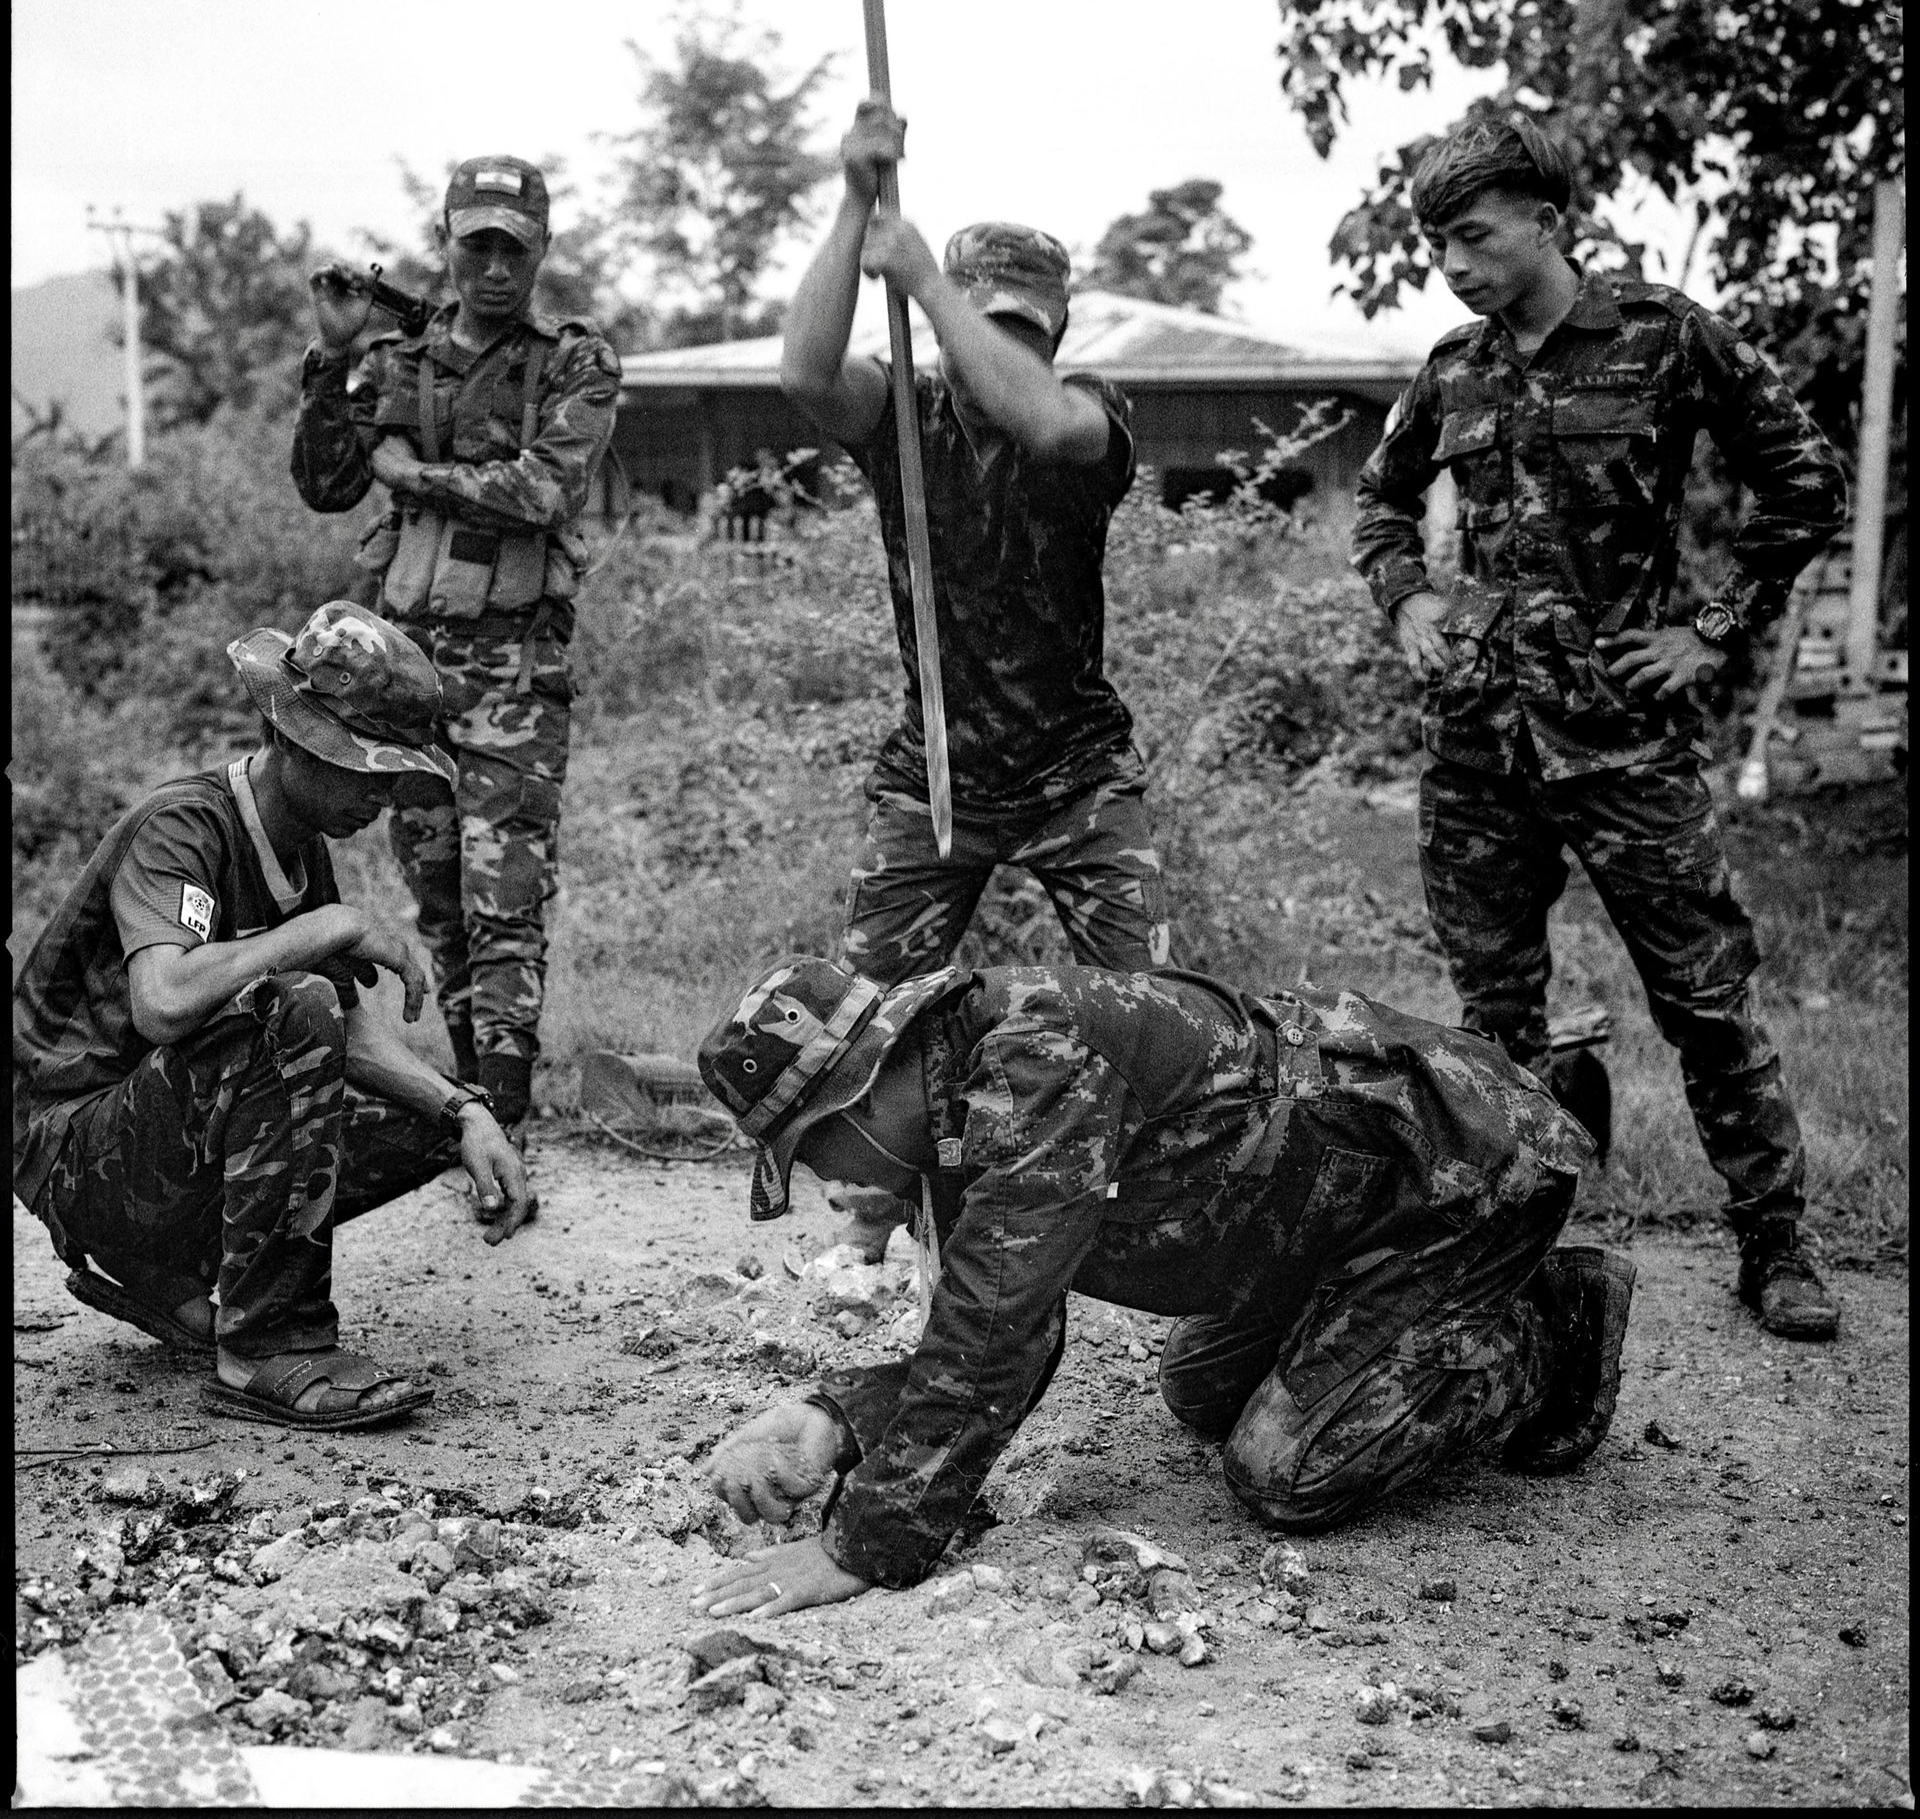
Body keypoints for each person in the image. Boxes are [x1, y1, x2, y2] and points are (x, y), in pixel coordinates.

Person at [681, 954, 1630, 1619]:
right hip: (1328, 1225)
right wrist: (839, 1417)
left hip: (1460, 1178)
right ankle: (1395, 1326)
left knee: (1287, 1472)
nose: (826, 1184)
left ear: (852, 1097)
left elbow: (996, 1334)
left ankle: (1549, 1330)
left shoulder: (1031, 1062)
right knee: (1200, 1392)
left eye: (809, 1154)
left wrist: (861, 1548)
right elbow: (995, 1334)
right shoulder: (946, 1110)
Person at [1350, 115, 1849, 1341]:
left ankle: (1776, 1246)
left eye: (1473, 237)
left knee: (1706, 999)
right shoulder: (1456, 366)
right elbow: (1379, 501)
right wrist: (1409, 595)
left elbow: (1806, 480)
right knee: (1492, 1019)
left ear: (1549, 224)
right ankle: (1512, 1248)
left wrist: (1715, 628)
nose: (1453, 264)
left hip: (1623, 741)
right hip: (1478, 749)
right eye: (1437, 244)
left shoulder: (1663, 337)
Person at [12, 603, 535, 1431]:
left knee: (425, 1113)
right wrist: (322, 929)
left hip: (150, 1132)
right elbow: (165, 1000)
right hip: (71, 1147)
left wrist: (465, 1111)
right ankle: (265, 1346)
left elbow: (348, 1029)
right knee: (295, 1005)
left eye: (392, 771)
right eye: (363, 767)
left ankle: (167, 1269)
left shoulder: (299, 847)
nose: (385, 792)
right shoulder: (182, 826)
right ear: (291, 741)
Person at [781, 101, 1172, 991]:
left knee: (1160, 1023)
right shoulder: (903, 419)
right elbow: (804, 373)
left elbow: (1043, 419)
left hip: (1078, 778)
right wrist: (854, 203)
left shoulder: (1086, 415)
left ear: (1056, 337)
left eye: (1019, 330)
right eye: (978, 322)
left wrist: (929, 285)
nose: (991, 348)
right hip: (937, 773)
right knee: (864, 1021)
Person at [291, 156, 623, 1130]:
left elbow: (546, 491)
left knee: (507, 895)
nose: (491, 266)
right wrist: (331, 362)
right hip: (409, 674)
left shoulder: (571, 362)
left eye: (510, 248)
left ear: (540, 251)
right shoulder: (398, 361)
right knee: (438, 890)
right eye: (474, 244)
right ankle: (476, 1099)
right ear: (447, 242)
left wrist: (415, 471)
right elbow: (327, 484)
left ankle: (508, 1106)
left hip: (517, 669)